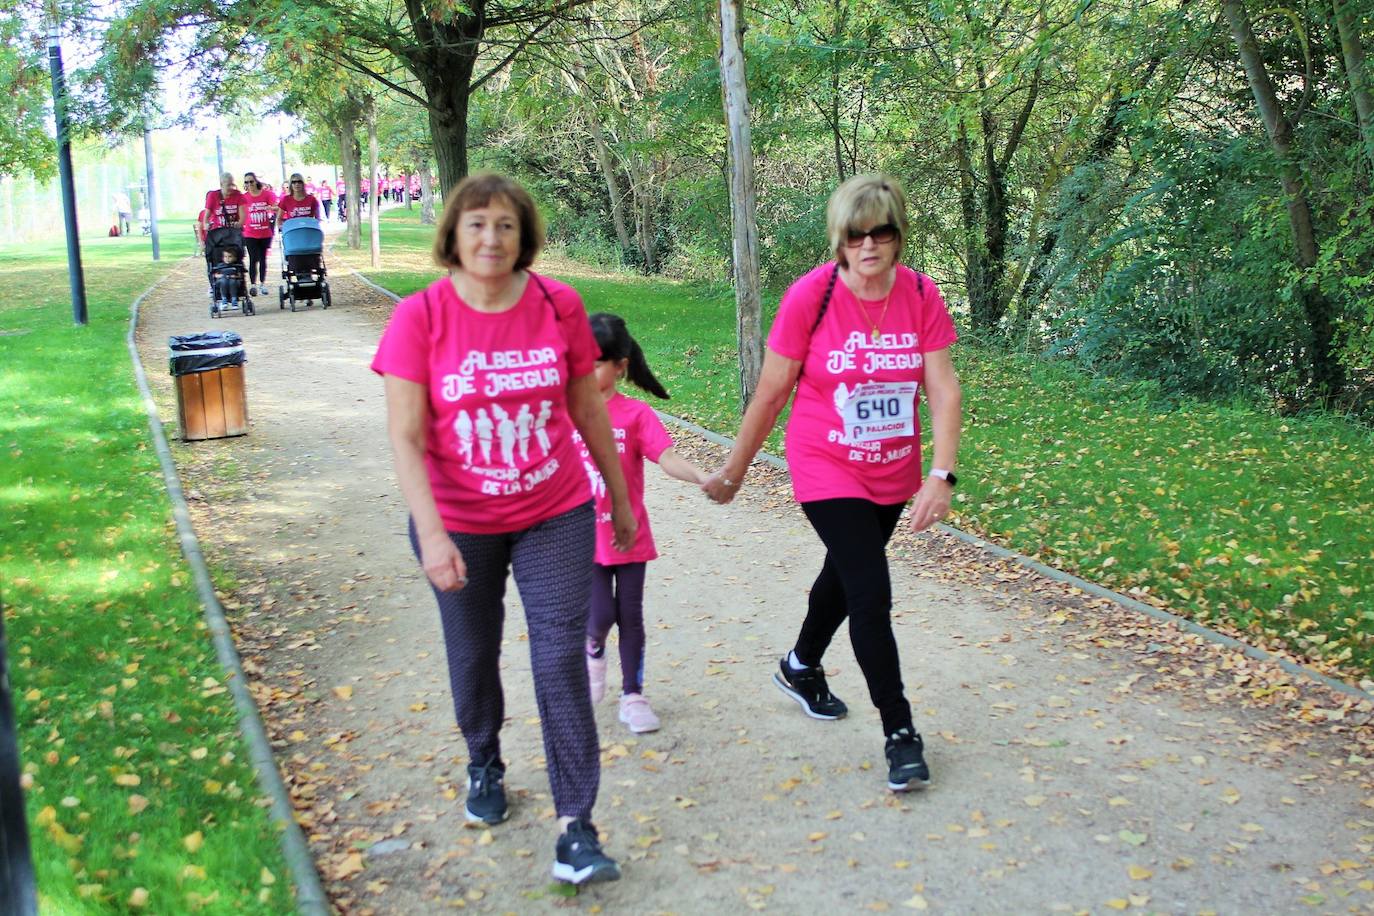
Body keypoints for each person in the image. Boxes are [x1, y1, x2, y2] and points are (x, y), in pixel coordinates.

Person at [371, 172, 633, 886]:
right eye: (478, 223)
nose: (492, 237)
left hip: (554, 508)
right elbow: (404, 435)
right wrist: (431, 534)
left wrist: (620, 495)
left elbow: (586, 409)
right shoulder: (421, 318)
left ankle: (576, 824)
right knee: (473, 651)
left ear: (525, 238)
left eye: (506, 225)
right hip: (459, 518)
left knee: (557, 660)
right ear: (453, 234)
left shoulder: (557, 304)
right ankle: (484, 758)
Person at [703, 173, 962, 794]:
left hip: (892, 469)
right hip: (825, 462)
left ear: (899, 236)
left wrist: (941, 475)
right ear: (839, 240)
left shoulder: (921, 296)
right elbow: (770, 395)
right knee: (870, 592)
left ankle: (800, 666)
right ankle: (901, 734)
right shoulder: (811, 297)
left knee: (846, 578)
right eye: (855, 234)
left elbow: (944, 389)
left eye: (881, 232)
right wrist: (735, 471)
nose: (868, 245)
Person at [577, 313, 708, 734]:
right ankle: (592, 647)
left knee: (630, 615)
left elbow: (666, 457)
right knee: (599, 616)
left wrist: (703, 476)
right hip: (581, 537)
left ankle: (633, 695)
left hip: (628, 534)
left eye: (596, 362)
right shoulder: (565, 410)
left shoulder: (635, 415)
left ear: (620, 366)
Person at [241, 172, 277, 296]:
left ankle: (262, 283)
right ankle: (253, 285)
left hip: (265, 232)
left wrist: (271, 208)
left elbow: (276, 206)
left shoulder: (267, 194)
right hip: (250, 233)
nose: (249, 184)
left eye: (251, 181)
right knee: (253, 259)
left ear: (256, 181)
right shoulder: (244, 197)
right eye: (246, 182)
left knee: (263, 258)